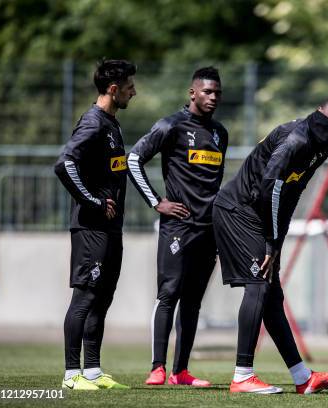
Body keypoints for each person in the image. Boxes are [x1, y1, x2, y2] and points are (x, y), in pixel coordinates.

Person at [212, 96, 328, 394]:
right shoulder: (296, 140)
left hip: (259, 216)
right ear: (318, 112)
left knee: (272, 298)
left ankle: (304, 378)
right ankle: (242, 376)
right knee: (259, 285)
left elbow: (290, 196)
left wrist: (276, 244)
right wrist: (270, 243)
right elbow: (268, 188)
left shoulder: (320, 149)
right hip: (239, 210)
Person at [128, 66, 227, 387]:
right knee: (168, 293)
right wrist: (157, 201)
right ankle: (157, 367)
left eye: (217, 93)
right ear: (192, 92)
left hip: (208, 229)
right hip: (178, 228)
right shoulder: (170, 125)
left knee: (194, 301)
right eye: (207, 92)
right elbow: (133, 160)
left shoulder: (219, 133)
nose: (213, 97)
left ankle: (180, 371)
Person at [54, 59, 137, 390]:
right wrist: (93, 201)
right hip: (90, 228)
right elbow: (64, 164)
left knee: (102, 298)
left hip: (110, 229)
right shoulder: (93, 122)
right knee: (85, 298)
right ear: (113, 90)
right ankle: (71, 375)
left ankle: (92, 370)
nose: (135, 91)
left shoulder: (112, 123)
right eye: (130, 86)